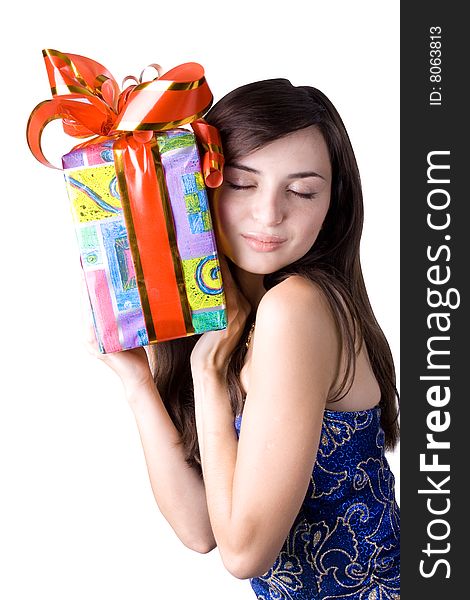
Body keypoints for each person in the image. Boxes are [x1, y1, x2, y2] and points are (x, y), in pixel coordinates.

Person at [84, 79, 400, 599]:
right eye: (241, 183)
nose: (269, 214)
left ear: (332, 205)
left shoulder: (297, 306)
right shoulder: (243, 320)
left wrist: (208, 374)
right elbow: (200, 529)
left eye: (302, 190)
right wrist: (137, 381)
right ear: (194, 186)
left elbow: (245, 554)